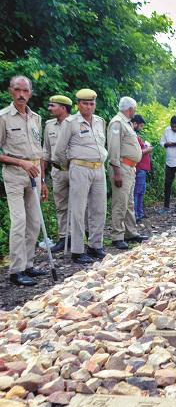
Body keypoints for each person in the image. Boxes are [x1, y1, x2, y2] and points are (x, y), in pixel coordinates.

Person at [0, 76, 49, 286]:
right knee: (19, 221)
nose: (21, 94)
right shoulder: (3, 117)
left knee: (34, 222)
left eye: (25, 90)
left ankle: (28, 264)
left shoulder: (35, 118)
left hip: (35, 173)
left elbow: (39, 152)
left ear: (30, 92)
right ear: (11, 91)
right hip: (14, 174)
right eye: (17, 90)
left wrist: (44, 180)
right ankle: (16, 270)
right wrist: (21, 163)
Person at [53, 88, 107, 264]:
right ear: (78, 104)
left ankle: (95, 245)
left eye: (92, 104)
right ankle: (77, 250)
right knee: (78, 210)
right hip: (80, 168)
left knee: (99, 208)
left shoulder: (100, 122)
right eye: (85, 104)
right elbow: (59, 151)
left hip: (99, 168)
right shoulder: (70, 123)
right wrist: (70, 166)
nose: (89, 107)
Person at [106, 97, 148, 250]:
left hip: (130, 167)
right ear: (130, 109)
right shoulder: (117, 122)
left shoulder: (127, 123)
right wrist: (116, 171)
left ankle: (130, 232)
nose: (135, 112)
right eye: (134, 109)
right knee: (120, 202)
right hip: (121, 167)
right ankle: (117, 235)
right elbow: (113, 148)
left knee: (128, 202)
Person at [42, 94, 73, 253]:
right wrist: (42, 178)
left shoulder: (76, 123)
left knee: (80, 205)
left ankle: (79, 239)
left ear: (63, 107)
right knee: (61, 206)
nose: (49, 108)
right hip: (57, 171)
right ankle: (63, 239)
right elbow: (46, 152)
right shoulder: (49, 126)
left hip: (75, 170)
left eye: (52, 105)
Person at [132, 115, 152, 222]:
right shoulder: (133, 136)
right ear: (135, 124)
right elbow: (138, 152)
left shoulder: (136, 136)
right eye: (140, 126)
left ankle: (140, 212)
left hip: (142, 169)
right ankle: (136, 214)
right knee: (137, 192)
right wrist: (148, 150)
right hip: (139, 168)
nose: (141, 128)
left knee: (141, 191)